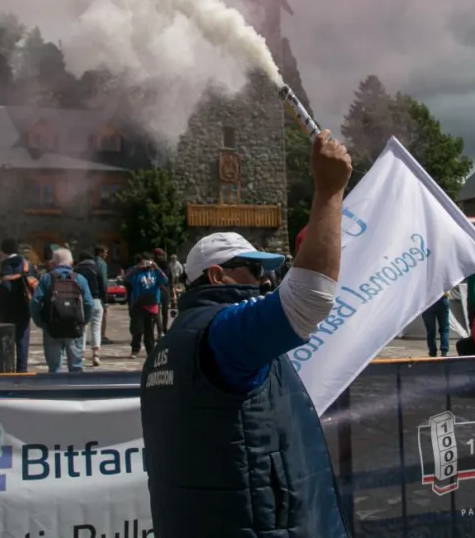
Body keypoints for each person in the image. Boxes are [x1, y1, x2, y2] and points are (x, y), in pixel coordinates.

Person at [139, 130, 352, 538]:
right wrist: (329, 191)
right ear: (216, 275)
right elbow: (308, 300)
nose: (264, 278)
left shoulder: (170, 345)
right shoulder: (219, 332)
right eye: (253, 269)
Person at [30, 247, 92, 373]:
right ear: (71, 262)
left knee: (54, 367)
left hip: (52, 327)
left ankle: (55, 390)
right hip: (74, 327)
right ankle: (76, 389)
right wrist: (83, 321)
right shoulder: (80, 279)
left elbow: (35, 302)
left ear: (54, 262)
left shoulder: (46, 278)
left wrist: (40, 322)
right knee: (76, 367)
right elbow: (89, 303)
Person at [0, 239, 38, 373]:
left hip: (7, 310)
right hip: (24, 307)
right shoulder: (27, 264)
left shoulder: (4, 266)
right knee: (22, 342)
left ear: (3, 251)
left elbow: (4, 289)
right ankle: (22, 371)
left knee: (6, 343)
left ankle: (7, 370)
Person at [124, 254, 168, 357]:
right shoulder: (137, 272)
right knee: (137, 329)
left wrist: (156, 268)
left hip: (151, 303)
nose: (147, 264)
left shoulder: (155, 272)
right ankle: (135, 349)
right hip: (138, 303)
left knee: (149, 330)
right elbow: (127, 278)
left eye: (149, 261)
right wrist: (137, 267)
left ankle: (150, 351)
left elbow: (165, 280)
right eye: (145, 262)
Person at [74, 250, 107, 366]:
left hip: (81, 301)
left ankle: (81, 354)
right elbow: (103, 286)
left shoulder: (76, 270)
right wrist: (105, 302)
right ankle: (96, 354)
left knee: (82, 327)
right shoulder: (96, 268)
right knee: (96, 328)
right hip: (96, 300)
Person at [93, 245, 113, 345]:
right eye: (105, 252)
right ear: (101, 252)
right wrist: (106, 298)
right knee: (102, 316)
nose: (106, 254)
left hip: (90, 292)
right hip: (99, 294)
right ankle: (102, 336)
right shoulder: (102, 264)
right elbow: (104, 282)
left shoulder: (91, 262)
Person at [421, 293, 451, 357]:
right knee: (444, 329)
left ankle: (432, 352)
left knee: (430, 330)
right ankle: (444, 351)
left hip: (427, 301)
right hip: (442, 298)